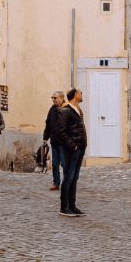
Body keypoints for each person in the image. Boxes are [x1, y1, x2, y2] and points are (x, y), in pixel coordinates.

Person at [55, 87, 88, 217]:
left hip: (80, 147)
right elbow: (61, 132)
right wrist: (72, 145)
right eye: (80, 92)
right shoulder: (65, 111)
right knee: (68, 177)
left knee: (74, 177)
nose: (82, 94)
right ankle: (64, 207)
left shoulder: (78, 109)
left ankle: (72, 206)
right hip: (72, 149)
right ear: (75, 95)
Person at [42, 91, 67, 190]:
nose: (53, 99)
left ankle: (67, 183)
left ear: (61, 98)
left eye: (55, 98)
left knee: (65, 164)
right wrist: (45, 138)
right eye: (52, 98)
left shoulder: (67, 109)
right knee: (54, 164)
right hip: (54, 142)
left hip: (64, 143)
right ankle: (56, 183)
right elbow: (48, 123)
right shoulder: (52, 109)